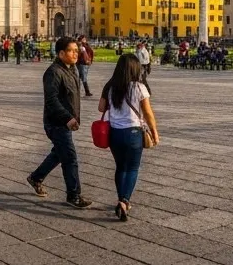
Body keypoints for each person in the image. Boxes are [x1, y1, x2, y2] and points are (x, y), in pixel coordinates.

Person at [25, 36, 90, 208]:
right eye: (71, 50)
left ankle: (36, 177)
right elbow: (52, 100)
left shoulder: (71, 69)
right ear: (61, 53)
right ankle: (74, 195)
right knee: (70, 157)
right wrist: (67, 118)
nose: (76, 53)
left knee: (59, 154)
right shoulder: (53, 72)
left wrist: (74, 117)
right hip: (56, 123)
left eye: (77, 50)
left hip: (66, 121)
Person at [98, 53, 159, 221]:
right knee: (132, 168)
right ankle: (124, 201)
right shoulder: (139, 87)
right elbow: (147, 113)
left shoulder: (111, 87)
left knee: (120, 167)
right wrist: (154, 132)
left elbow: (100, 107)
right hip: (133, 133)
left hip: (115, 133)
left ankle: (121, 199)